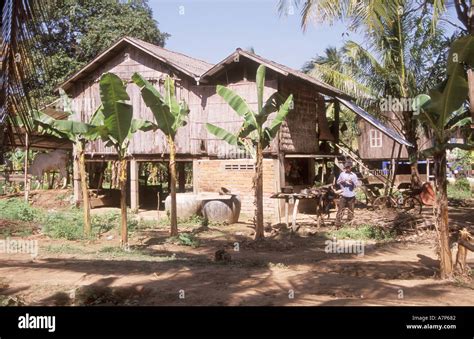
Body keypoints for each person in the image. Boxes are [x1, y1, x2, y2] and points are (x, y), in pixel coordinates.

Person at [335, 160, 358, 228]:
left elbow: (356, 185)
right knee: (341, 210)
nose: (347, 168)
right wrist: (344, 181)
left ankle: (349, 224)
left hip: (351, 195)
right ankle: (338, 225)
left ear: (351, 167)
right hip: (343, 195)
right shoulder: (342, 174)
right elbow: (338, 182)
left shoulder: (354, 175)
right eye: (346, 167)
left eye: (349, 167)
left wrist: (352, 182)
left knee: (351, 211)